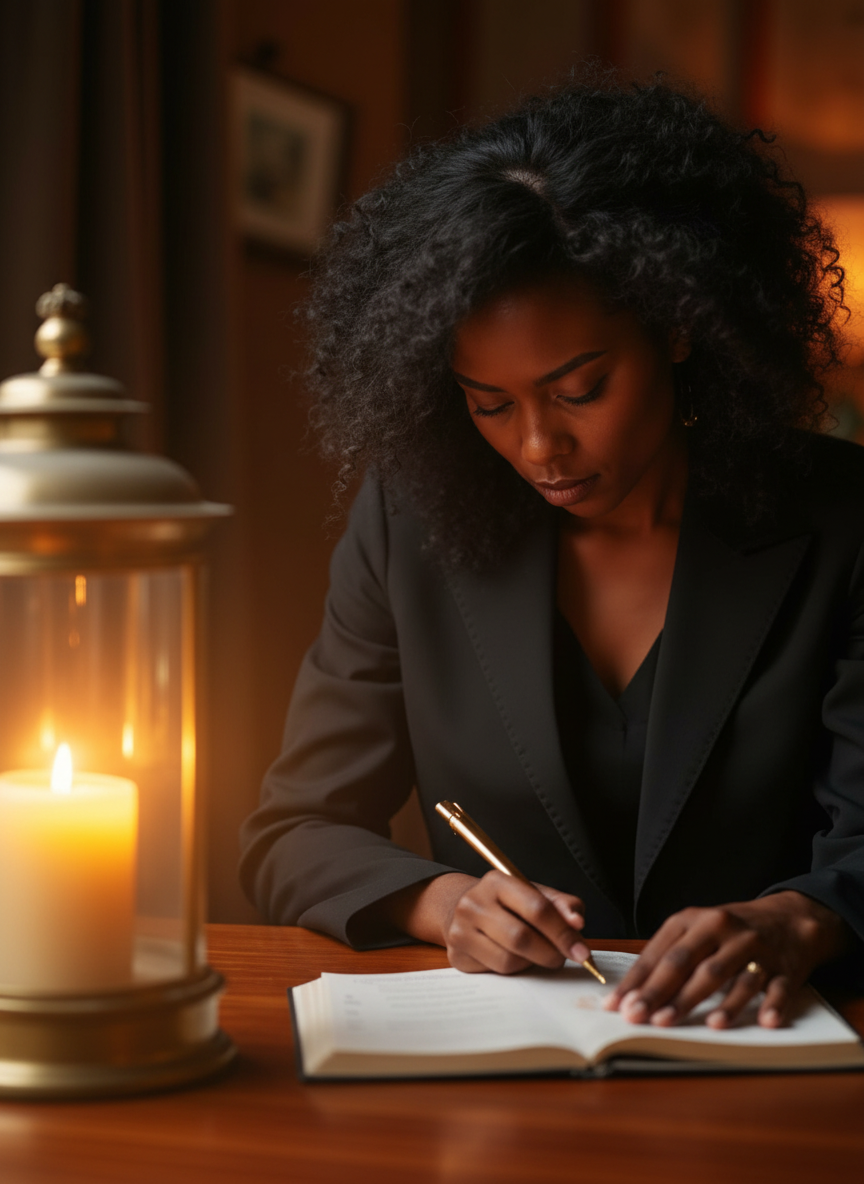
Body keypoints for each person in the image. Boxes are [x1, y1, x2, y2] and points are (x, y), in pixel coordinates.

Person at [239, 72, 864, 1032]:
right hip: (499, 1070)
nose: (537, 447)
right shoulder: (410, 522)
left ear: (681, 327)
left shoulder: (842, 520)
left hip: (769, 1058)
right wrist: (443, 905)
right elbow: (296, 831)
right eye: (489, 404)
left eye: (580, 389)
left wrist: (797, 919)